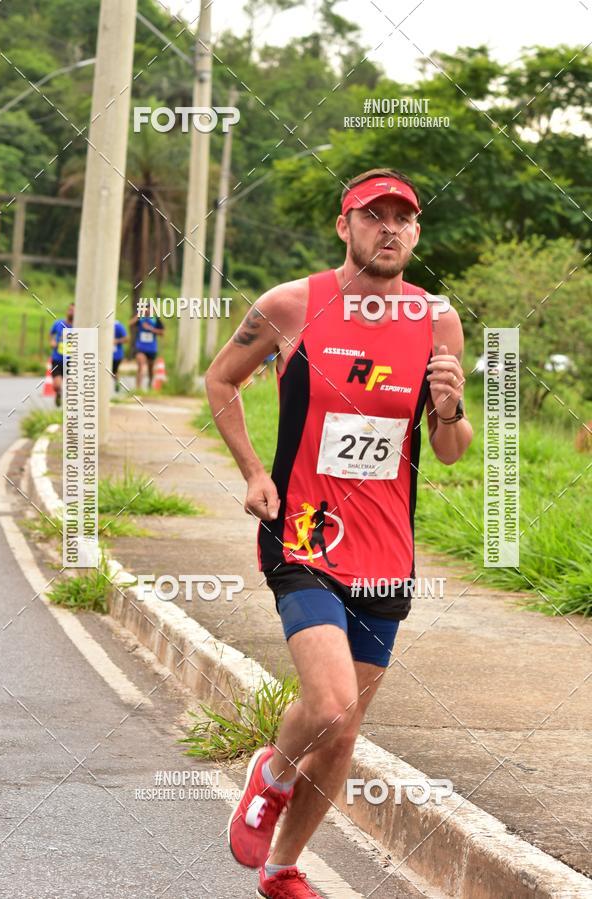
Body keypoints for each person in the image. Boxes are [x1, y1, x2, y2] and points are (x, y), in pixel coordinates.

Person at [205, 168, 473, 898]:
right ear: (344, 226)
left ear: (416, 232)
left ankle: (281, 867)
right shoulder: (292, 306)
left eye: (404, 218)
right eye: (373, 215)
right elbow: (221, 380)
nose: (390, 228)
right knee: (324, 707)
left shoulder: (438, 320)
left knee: (346, 733)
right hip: (302, 536)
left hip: (388, 551)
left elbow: (449, 449)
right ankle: (273, 772)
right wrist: (254, 471)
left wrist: (449, 411)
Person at [129, 306, 164, 390]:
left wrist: (151, 329)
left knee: (150, 369)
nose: (147, 311)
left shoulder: (156, 319)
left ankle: (150, 385)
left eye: (150, 309)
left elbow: (162, 332)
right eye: (146, 309)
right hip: (140, 347)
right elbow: (130, 324)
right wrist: (138, 315)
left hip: (151, 349)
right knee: (141, 365)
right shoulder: (140, 318)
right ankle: (138, 388)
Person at [49, 303, 74, 407]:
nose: (71, 312)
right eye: (70, 310)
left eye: (73, 311)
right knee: (56, 385)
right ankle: (58, 393)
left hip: (72, 360)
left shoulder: (78, 326)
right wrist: (52, 341)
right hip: (58, 358)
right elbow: (51, 334)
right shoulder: (58, 323)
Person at [112, 319, 128, 391]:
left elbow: (126, 338)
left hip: (116, 354)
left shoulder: (118, 326)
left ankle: (117, 383)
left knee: (114, 371)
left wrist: (116, 341)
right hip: (105, 354)